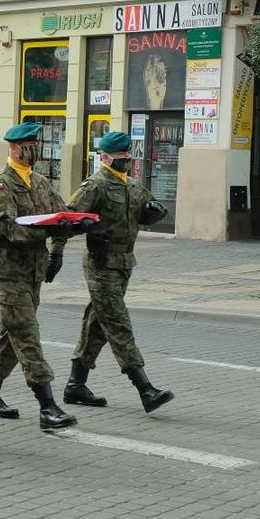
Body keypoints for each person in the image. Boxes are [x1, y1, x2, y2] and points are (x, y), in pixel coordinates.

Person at [0, 122, 79, 430]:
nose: (36, 149)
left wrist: (63, 241)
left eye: (38, 143)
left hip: (34, 270)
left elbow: (61, 214)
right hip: (9, 271)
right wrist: (47, 230)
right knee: (26, 333)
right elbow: (7, 229)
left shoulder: (41, 182)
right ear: (14, 148)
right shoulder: (0, 185)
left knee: (12, 335)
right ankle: (47, 406)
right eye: (30, 145)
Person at [65, 131, 174, 413]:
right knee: (117, 323)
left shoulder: (133, 186)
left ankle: (75, 385)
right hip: (100, 264)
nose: (126, 162)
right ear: (104, 158)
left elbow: (149, 210)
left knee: (97, 325)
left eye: (128, 157)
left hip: (124, 263)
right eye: (120, 158)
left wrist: (154, 211)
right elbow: (68, 218)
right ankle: (145, 389)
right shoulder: (95, 186)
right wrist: (70, 240)